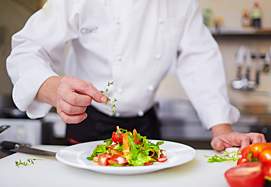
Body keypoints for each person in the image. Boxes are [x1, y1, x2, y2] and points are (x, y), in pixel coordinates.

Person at [6, 0, 266, 150]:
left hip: (146, 125)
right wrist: (52, 87)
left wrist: (221, 128)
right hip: (89, 121)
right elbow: (28, 49)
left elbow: (200, 59)